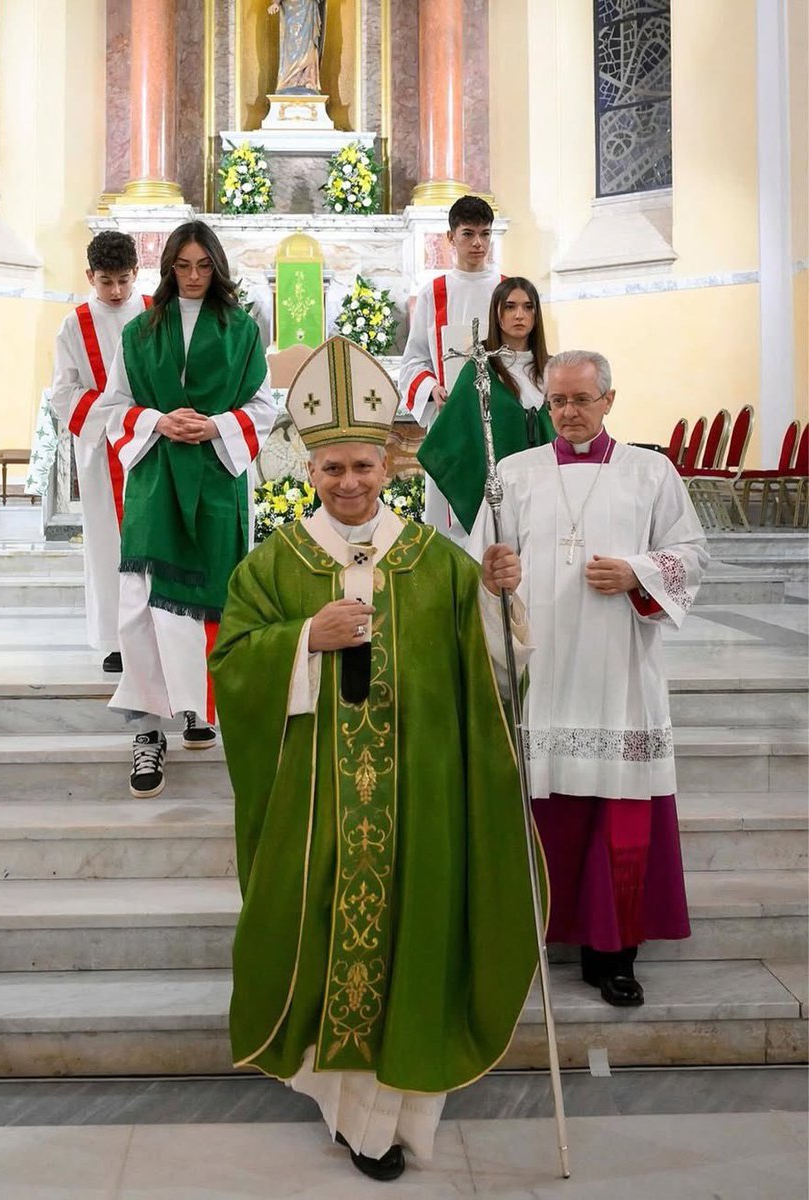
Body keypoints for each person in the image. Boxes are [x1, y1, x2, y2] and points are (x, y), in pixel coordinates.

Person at [209, 335, 542, 1183]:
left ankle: (394, 1118)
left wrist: (503, 597)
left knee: (414, 934)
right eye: (332, 470)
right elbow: (233, 671)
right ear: (308, 471)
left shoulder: (440, 565)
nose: (349, 483)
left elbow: (498, 671)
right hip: (317, 811)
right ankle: (344, 1111)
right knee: (324, 937)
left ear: (390, 464)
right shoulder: (272, 565)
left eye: (363, 465)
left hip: (422, 797)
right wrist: (299, 643)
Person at [468, 349, 709, 1007]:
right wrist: (494, 577)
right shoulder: (512, 476)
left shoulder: (648, 472)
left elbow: (690, 554)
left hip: (619, 672)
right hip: (541, 670)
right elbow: (483, 565)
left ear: (609, 399)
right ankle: (532, 945)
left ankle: (615, 954)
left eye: (581, 399)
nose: (569, 412)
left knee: (617, 815)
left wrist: (639, 572)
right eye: (557, 401)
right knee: (545, 813)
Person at [97, 221, 276, 798]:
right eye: (183, 266)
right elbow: (116, 406)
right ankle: (147, 732)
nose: (194, 276)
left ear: (217, 268)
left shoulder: (242, 329)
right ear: (169, 267)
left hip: (216, 480)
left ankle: (198, 708)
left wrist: (217, 425)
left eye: (204, 266)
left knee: (207, 604)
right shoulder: (141, 330)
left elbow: (263, 406)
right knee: (144, 605)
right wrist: (159, 420)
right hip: (153, 478)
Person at [48, 231, 150, 672]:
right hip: (103, 451)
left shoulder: (155, 314)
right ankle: (115, 639)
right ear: (90, 275)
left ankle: (159, 629)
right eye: (105, 281)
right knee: (107, 544)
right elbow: (63, 393)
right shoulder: (75, 324)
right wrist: (117, 414)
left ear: (136, 273)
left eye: (123, 281)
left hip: (152, 443)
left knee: (155, 541)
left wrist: (144, 418)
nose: (115, 292)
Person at [416, 275, 556, 534]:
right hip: (500, 495)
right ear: (497, 314)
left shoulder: (552, 368)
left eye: (528, 307)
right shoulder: (481, 368)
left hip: (548, 490)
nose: (519, 315)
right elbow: (449, 441)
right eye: (510, 306)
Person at [398, 194, 501, 542]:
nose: (478, 243)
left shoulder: (506, 290)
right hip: (451, 419)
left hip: (498, 418)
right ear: (450, 238)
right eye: (468, 234)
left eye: (485, 234)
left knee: (500, 516)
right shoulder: (434, 293)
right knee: (450, 522)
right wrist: (431, 389)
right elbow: (413, 361)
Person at [267, 0, 325, 93]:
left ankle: (308, 78)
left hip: (308, 7)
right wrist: (276, 3)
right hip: (291, 8)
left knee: (308, 43)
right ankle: (289, 80)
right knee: (292, 43)